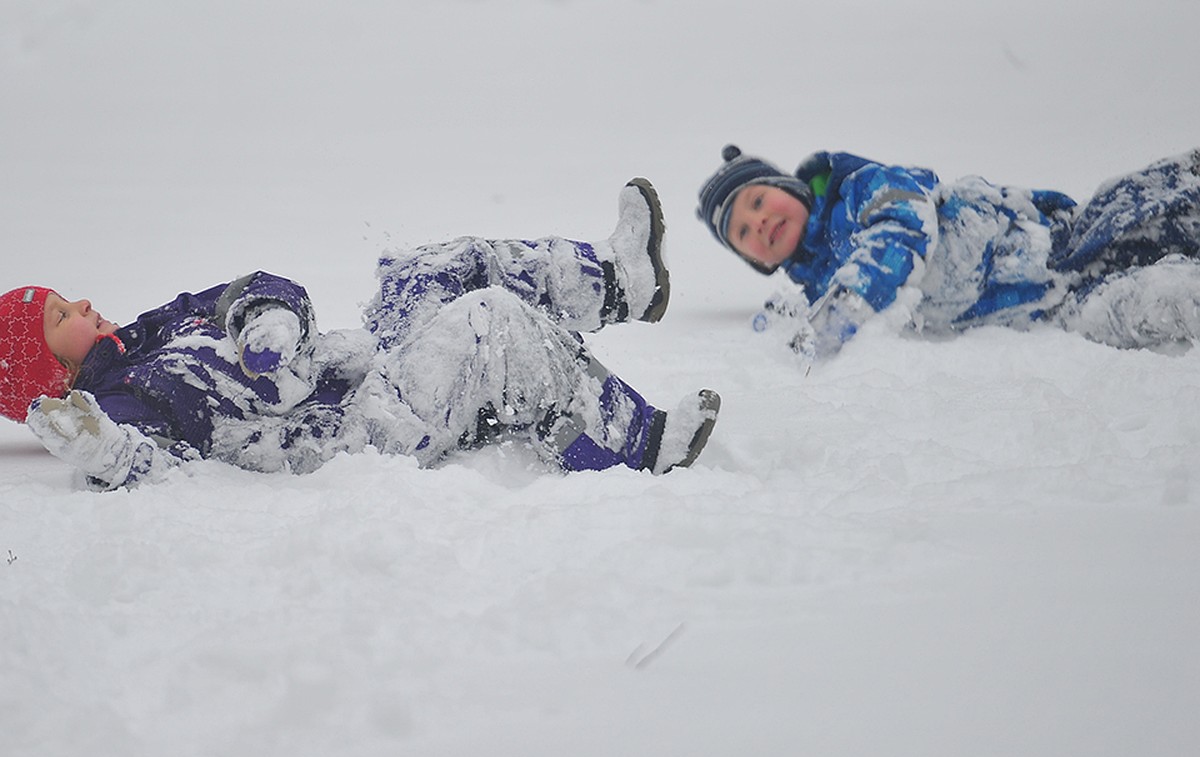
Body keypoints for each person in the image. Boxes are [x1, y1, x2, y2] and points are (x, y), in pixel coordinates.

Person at [2, 180, 720, 489]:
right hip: (349, 432)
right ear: (48, 375)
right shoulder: (120, 400)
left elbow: (243, 289)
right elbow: (146, 465)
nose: (83, 304)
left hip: (355, 365)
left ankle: (622, 282)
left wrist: (268, 314)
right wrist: (99, 446)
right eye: (60, 317)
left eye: (66, 299)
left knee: (421, 272)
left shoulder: (150, 332)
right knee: (486, 320)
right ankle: (644, 448)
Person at [697, 144, 1200, 361]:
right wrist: (779, 335)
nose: (759, 222)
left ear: (791, 187)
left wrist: (847, 306)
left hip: (1057, 244)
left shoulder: (864, 190)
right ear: (758, 262)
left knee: (1166, 207)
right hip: (1053, 310)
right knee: (1158, 306)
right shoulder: (818, 287)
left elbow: (901, 231)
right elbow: (788, 326)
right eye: (743, 233)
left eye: (758, 201)